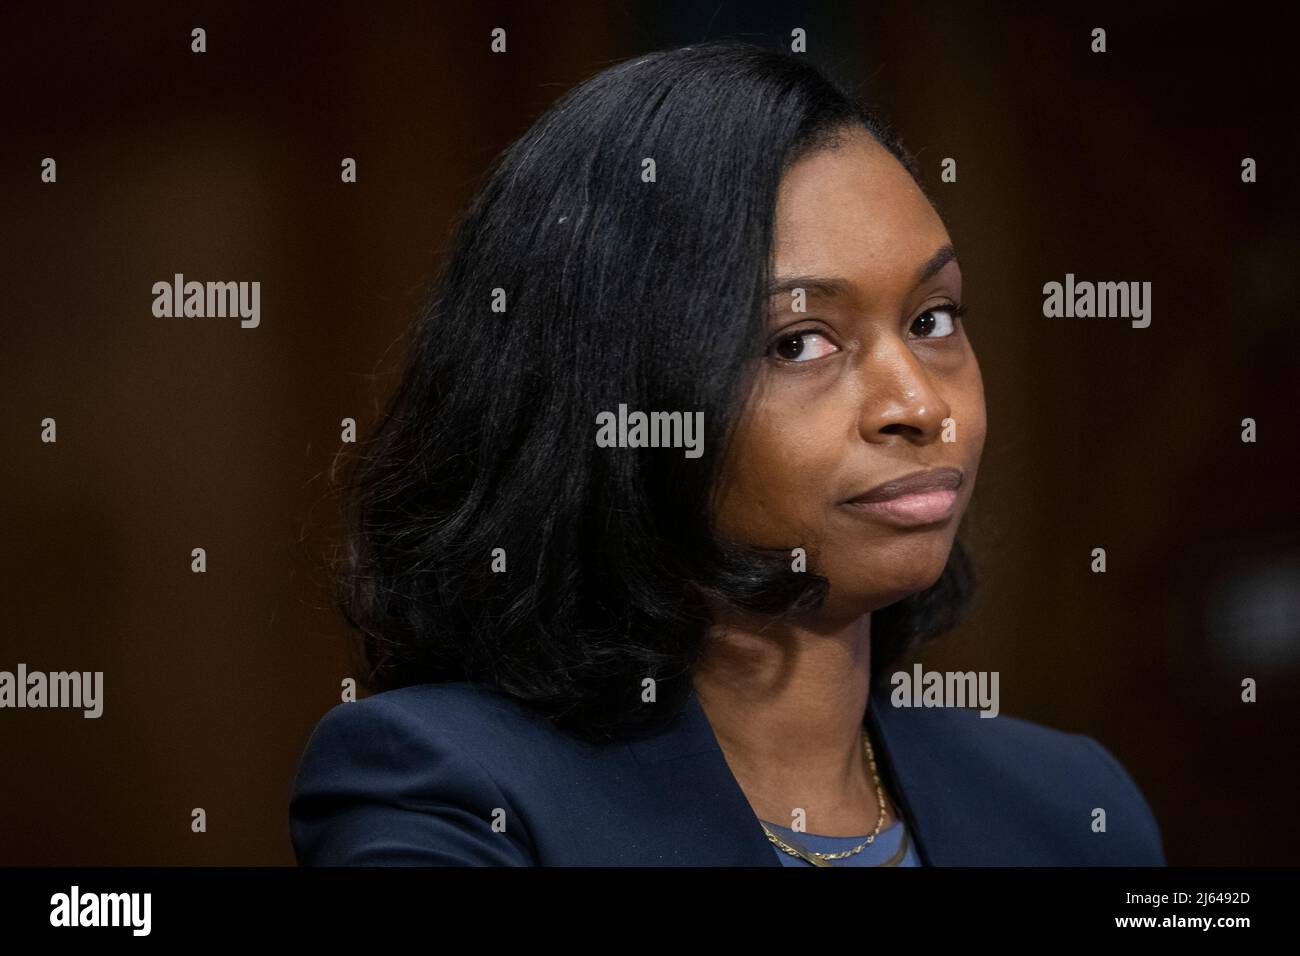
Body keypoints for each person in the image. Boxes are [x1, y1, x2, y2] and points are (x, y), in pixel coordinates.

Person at [289, 40, 1165, 867]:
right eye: (800, 342)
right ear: (615, 395)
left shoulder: (1073, 805)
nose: (921, 406)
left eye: (932, 320)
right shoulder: (449, 789)